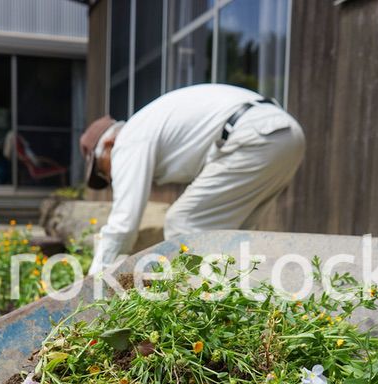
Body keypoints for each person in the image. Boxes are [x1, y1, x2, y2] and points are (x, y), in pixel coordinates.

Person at [80, 83, 305, 274]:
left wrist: (96, 281)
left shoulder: (127, 141)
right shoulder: (150, 124)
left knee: (182, 222)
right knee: (235, 237)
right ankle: (243, 306)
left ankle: (196, 310)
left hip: (254, 136)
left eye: (103, 171)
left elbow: (124, 224)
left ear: (108, 145)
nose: (110, 179)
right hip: (287, 134)